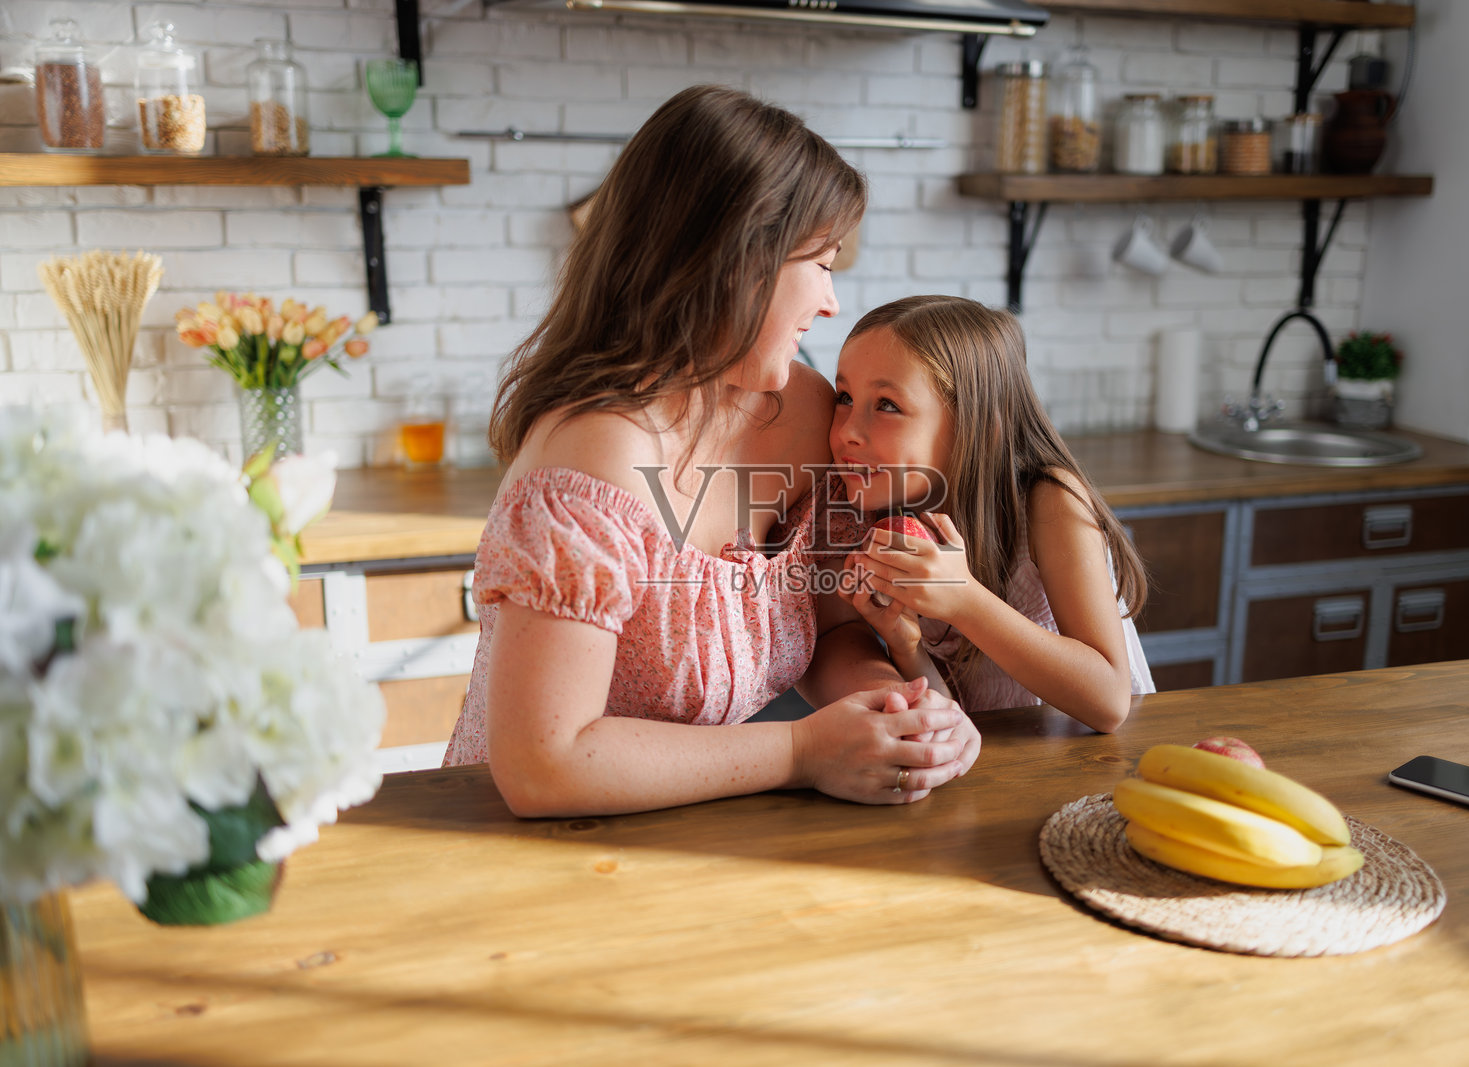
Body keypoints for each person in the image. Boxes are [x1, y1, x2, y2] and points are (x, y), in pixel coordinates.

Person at [441, 86, 980, 816]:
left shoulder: (808, 411)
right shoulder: (594, 457)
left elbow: (830, 628)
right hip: (535, 857)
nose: (830, 301)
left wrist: (894, 712)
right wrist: (803, 750)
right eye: (820, 263)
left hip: (691, 841)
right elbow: (544, 764)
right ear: (740, 261)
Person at [833, 294, 1155, 732]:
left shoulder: (1050, 502)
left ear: (978, 428)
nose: (847, 431)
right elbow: (956, 719)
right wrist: (906, 647)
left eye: (887, 405)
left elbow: (1109, 702)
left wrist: (964, 599)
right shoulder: (884, 513)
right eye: (845, 396)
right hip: (1004, 774)